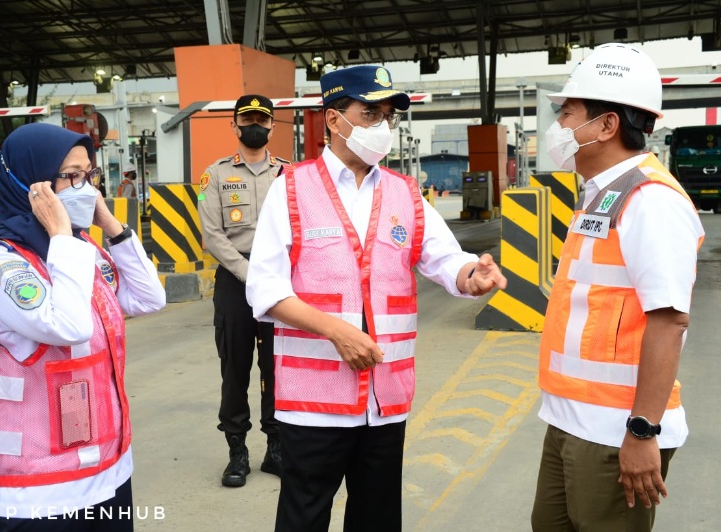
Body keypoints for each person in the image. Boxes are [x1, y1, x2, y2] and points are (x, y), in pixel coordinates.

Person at [245, 65, 507, 531]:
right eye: (370, 113)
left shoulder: (404, 192)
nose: (382, 126)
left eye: (388, 116)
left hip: (385, 398)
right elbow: (264, 290)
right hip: (314, 403)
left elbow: (445, 258)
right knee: (303, 517)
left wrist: (472, 276)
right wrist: (335, 331)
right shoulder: (292, 189)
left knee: (378, 519)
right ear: (333, 120)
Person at [0, 122, 166, 529]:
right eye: (69, 176)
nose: (82, 187)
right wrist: (63, 232)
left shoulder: (81, 247)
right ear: (31, 184)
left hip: (108, 469)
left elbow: (149, 298)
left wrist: (109, 223)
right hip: (39, 486)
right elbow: (68, 327)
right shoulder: (0, 259)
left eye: (88, 175)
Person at [531, 43, 705, 531]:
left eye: (567, 114)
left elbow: (669, 321)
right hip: (571, 419)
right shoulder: (601, 194)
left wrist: (643, 431)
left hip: (616, 430)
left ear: (606, 125)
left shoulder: (650, 200)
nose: (557, 127)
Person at [197, 94, 289, 488]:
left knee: (277, 367)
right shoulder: (214, 175)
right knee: (235, 369)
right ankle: (237, 451)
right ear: (234, 126)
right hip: (236, 282)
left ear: (271, 126)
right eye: (246, 119)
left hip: (281, 282)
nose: (254, 125)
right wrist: (251, 274)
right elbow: (211, 236)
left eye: (261, 119)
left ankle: (276, 447)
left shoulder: (290, 174)